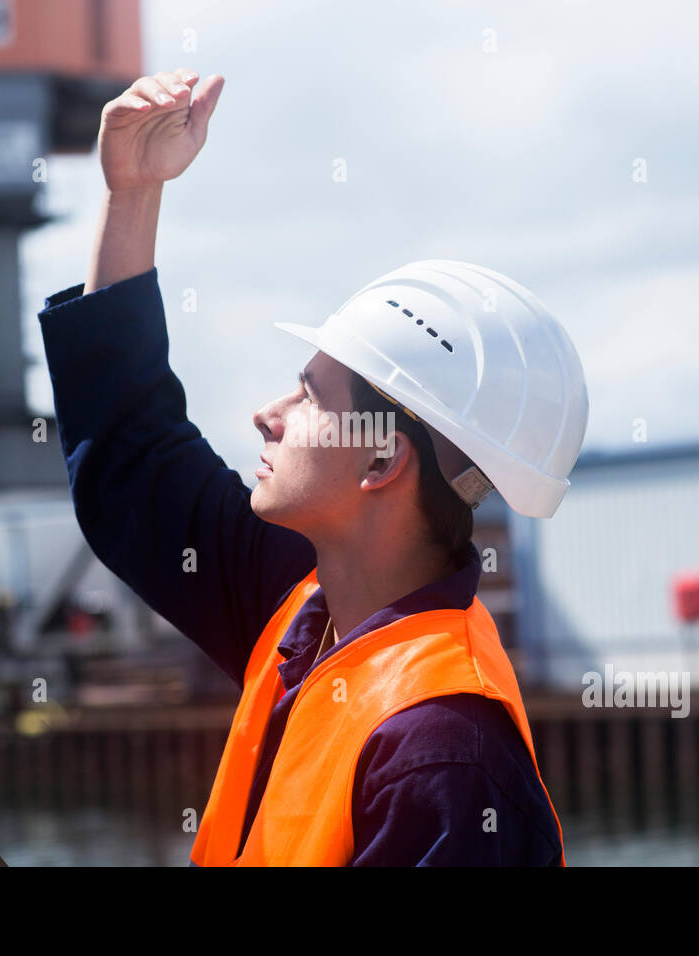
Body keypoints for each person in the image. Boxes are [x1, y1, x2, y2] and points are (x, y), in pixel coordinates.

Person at [38, 68, 589, 866]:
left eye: (307, 392)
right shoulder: (306, 606)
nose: (268, 414)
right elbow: (131, 459)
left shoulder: (446, 758)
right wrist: (133, 194)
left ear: (379, 457)